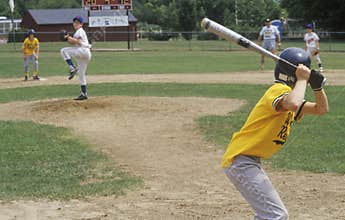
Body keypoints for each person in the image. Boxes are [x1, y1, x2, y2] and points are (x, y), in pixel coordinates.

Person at [222, 47, 328, 220]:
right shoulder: (278, 90)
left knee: (271, 215)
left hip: (249, 161)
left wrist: (317, 88)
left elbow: (321, 109)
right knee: (276, 215)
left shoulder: (290, 96)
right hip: (241, 160)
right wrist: (303, 80)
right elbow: (293, 104)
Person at [60, 16, 91, 101]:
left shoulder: (80, 31)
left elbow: (78, 42)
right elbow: (72, 43)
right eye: (74, 22)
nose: (76, 24)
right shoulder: (77, 32)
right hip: (85, 54)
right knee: (81, 75)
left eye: (78, 22)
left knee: (63, 51)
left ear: (81, 24)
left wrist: (68, 37)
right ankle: (84, 93)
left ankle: (72, 67)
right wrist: (67, 38)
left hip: (82, 51)